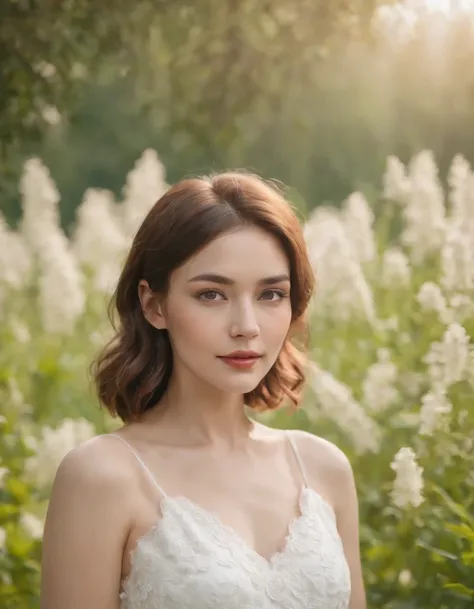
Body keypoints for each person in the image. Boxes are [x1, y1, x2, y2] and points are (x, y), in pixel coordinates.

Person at [40, 171, 366, 609]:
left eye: (271, 294)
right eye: (212, 294)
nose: (246, 327)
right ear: (154, 305)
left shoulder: (324, 469)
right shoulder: (102, 477)